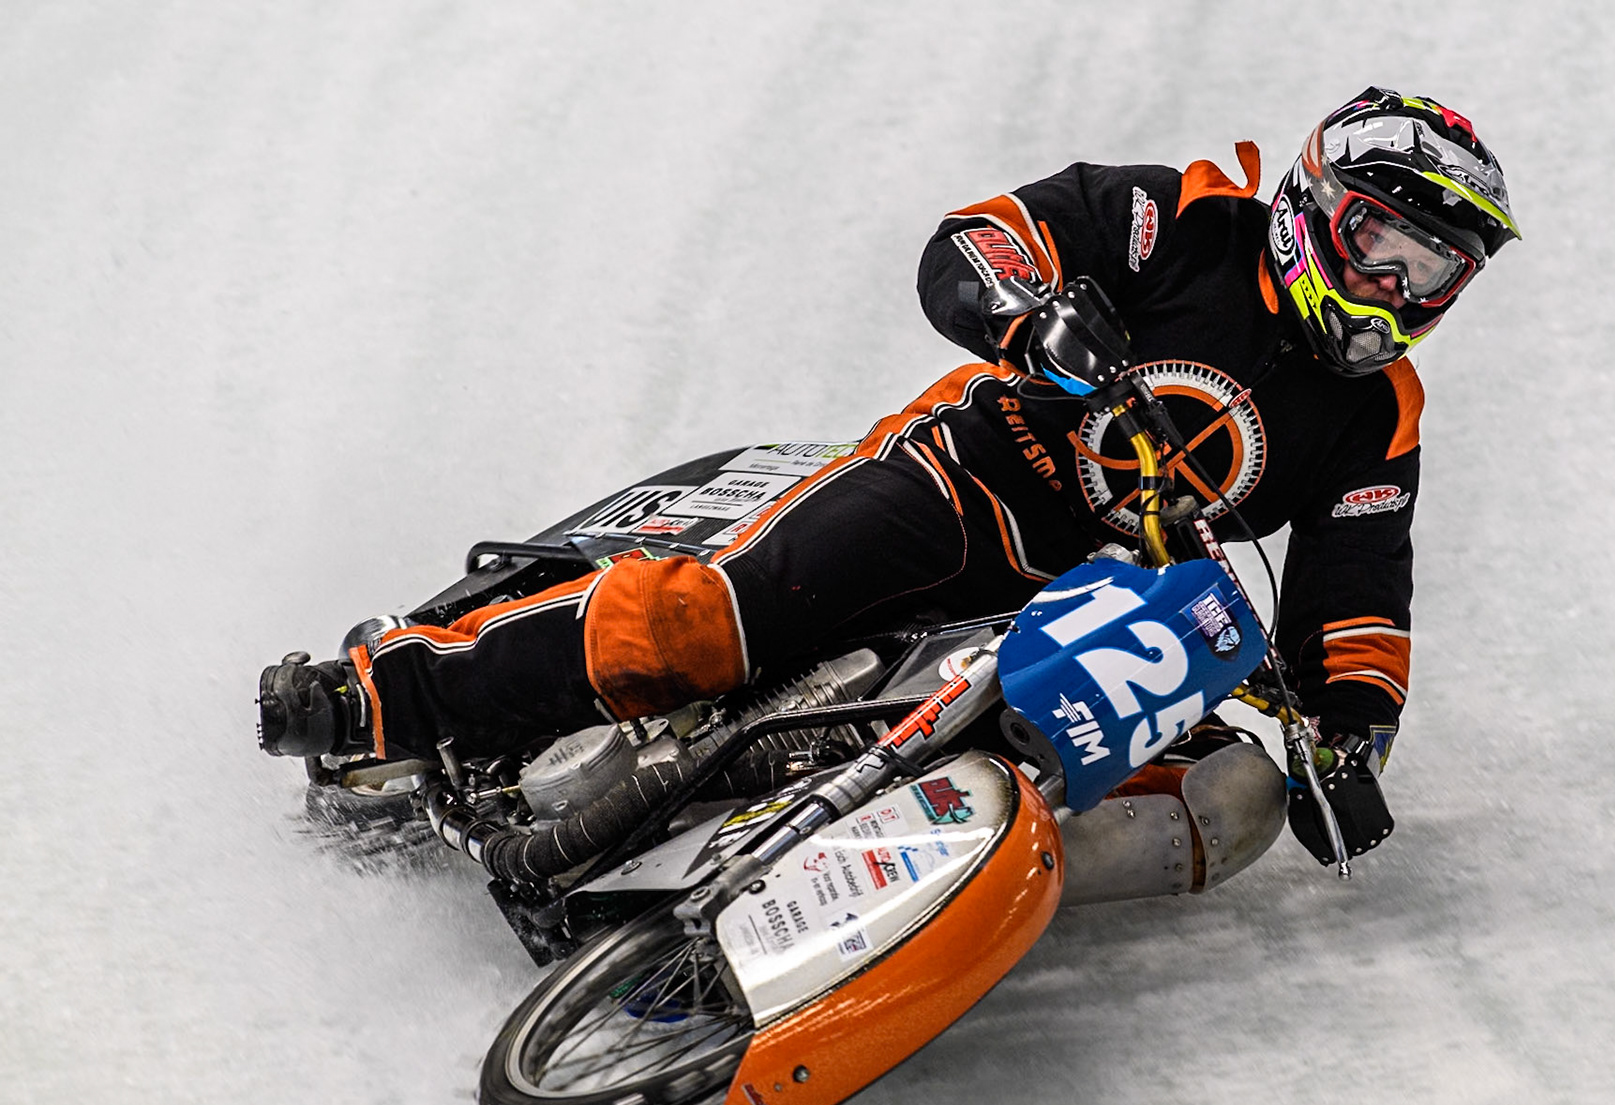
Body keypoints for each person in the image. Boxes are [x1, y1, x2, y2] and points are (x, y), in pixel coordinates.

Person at [258, 87, 1519, 866]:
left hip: (1105, 607)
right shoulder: (1182, 218)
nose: (1395, 290)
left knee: (1190, 779)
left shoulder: (1379, 413)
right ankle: (380, 693)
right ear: (1312, 201)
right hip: (966, 483)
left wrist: (1351, 744)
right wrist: (1029, 319)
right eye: (1379, 240)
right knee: (710, 625)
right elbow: (974, 244)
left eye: (1433, 271)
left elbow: (1356, 595)